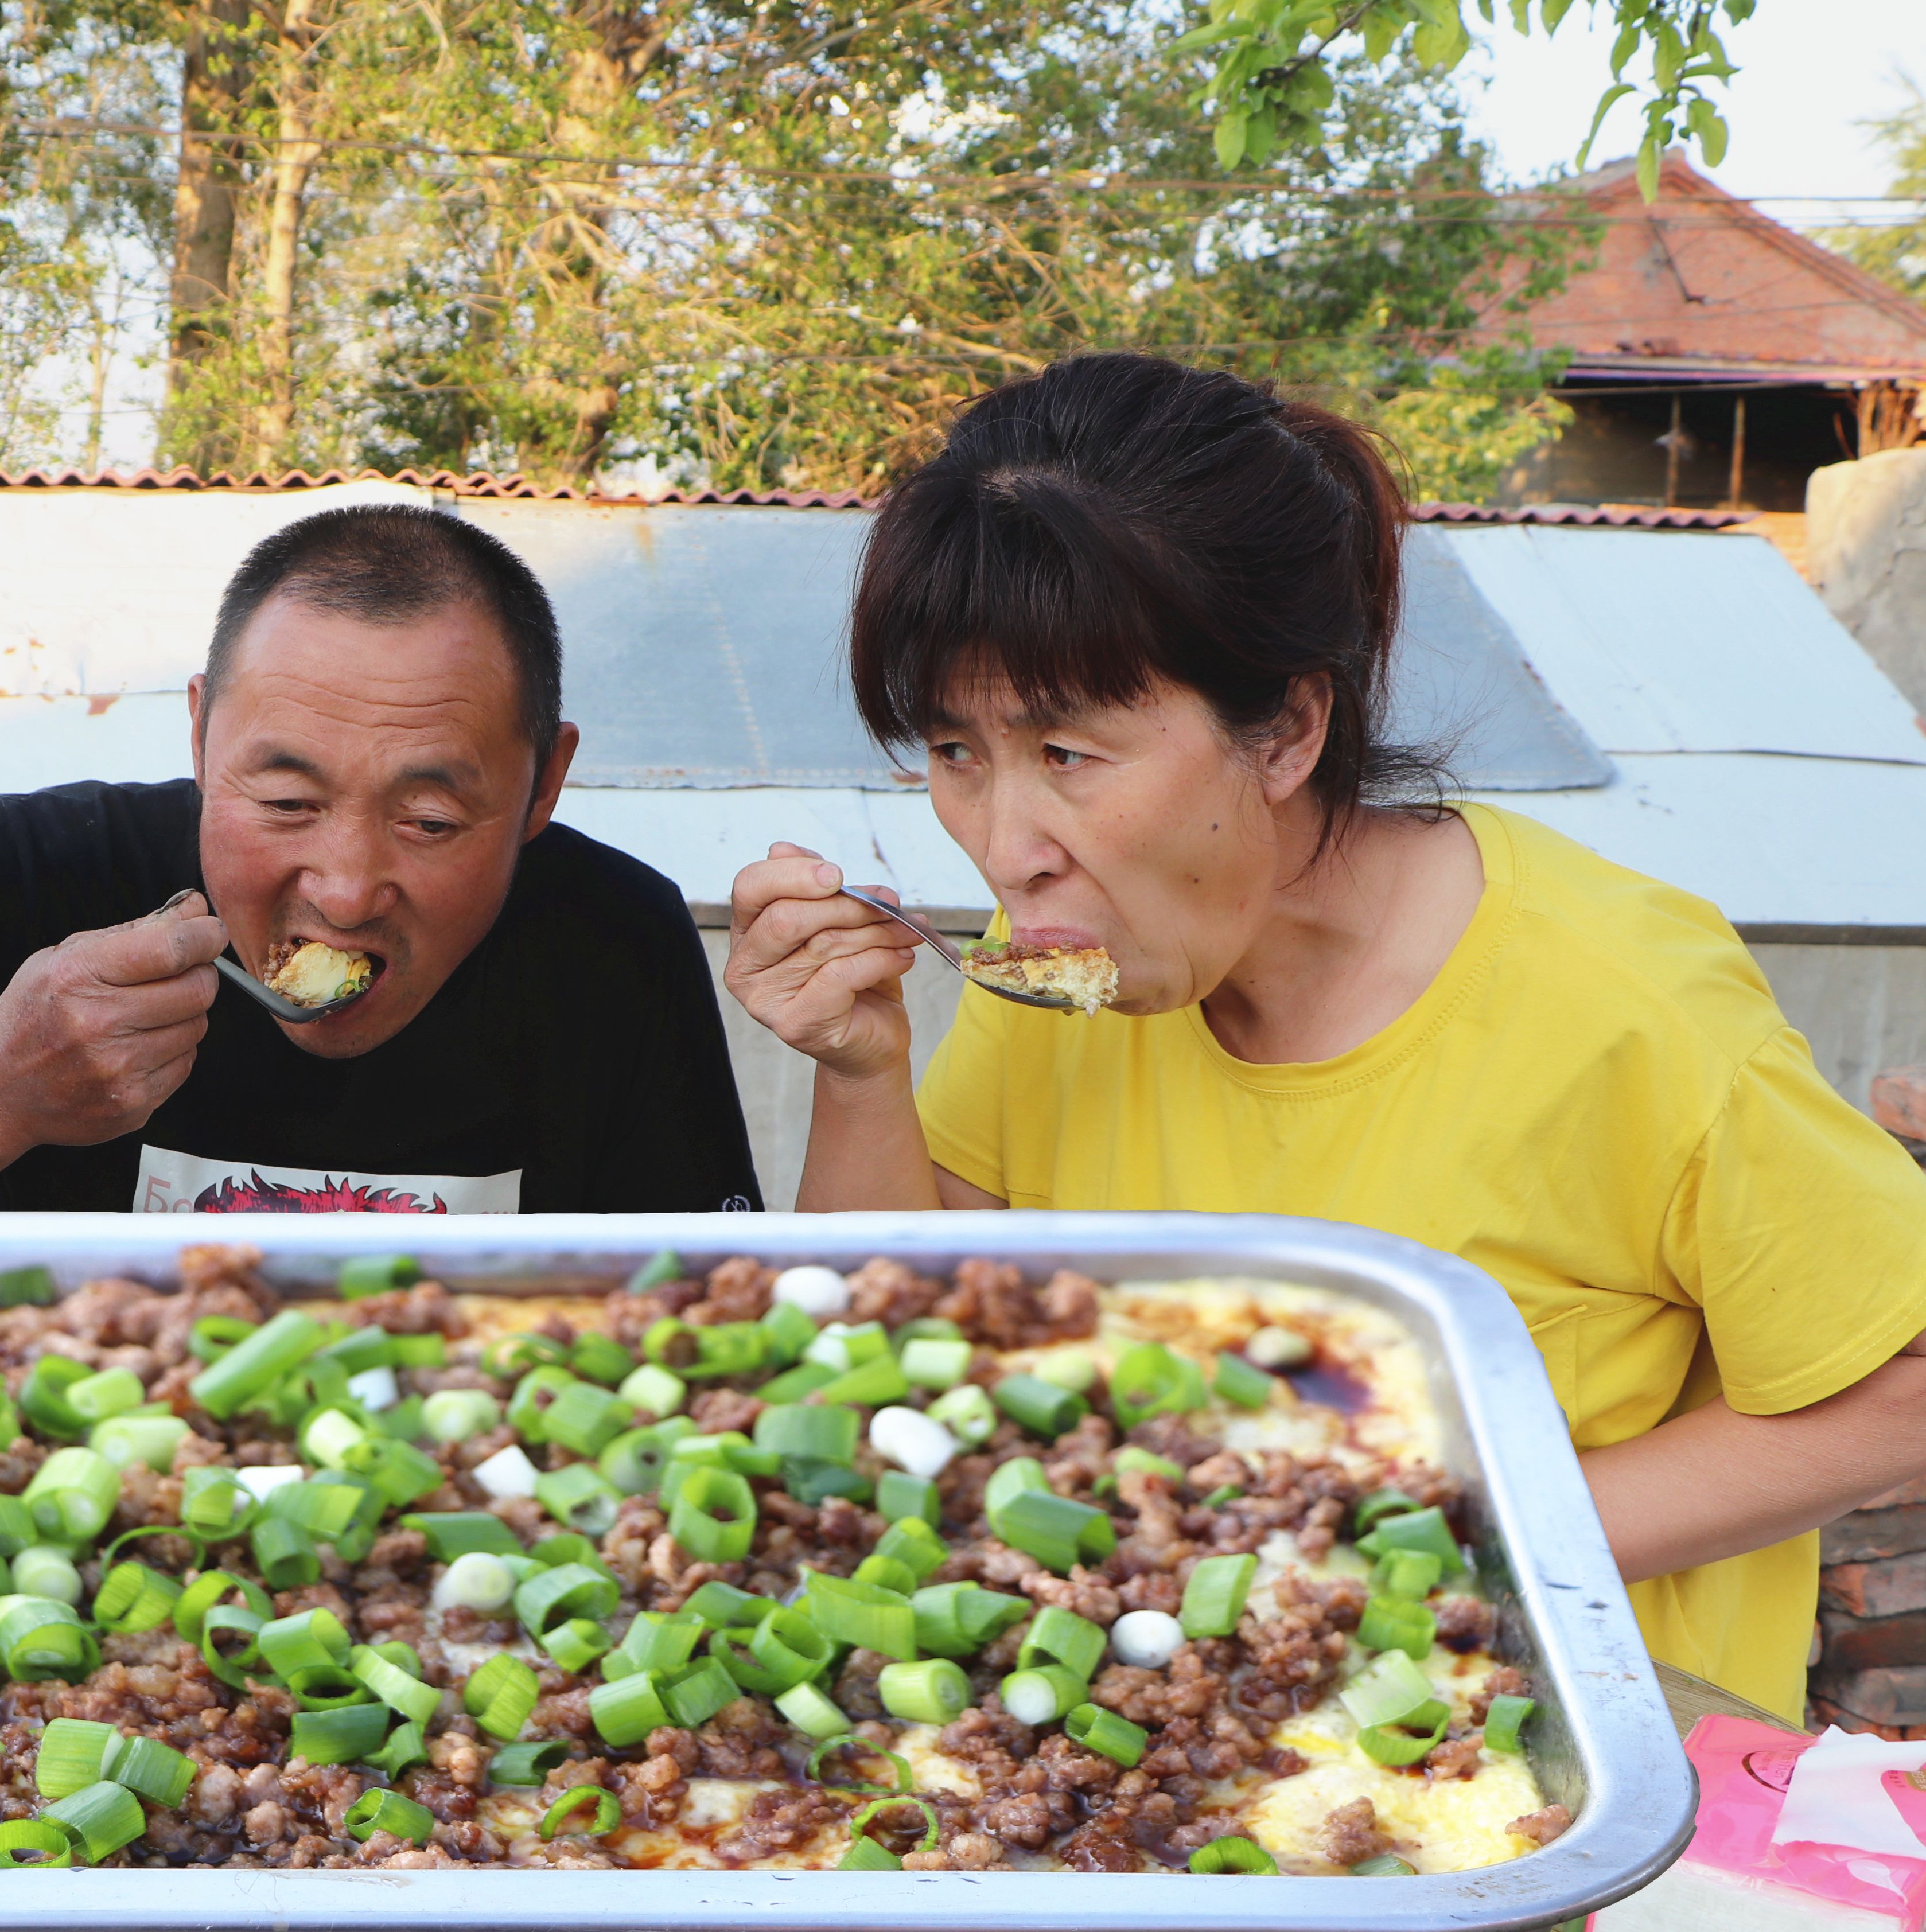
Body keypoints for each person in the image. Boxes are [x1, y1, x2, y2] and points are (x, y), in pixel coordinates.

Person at [723, 352, 1926, 1721]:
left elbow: (1903, 1385)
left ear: (1289, 728)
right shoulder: (1068, 989)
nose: (1007, 849)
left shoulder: (1623, 1003)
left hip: (1551, 1783)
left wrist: (1439, 1539)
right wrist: (863, 1072)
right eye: (953, 753)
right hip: (1154, 1746)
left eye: (1067, 755)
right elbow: (883, 1362)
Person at [0, 504, 758, 1216]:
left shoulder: (613, 943)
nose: (343, 887)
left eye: (427, 820)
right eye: (287, 800)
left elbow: (717, 1329)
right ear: (199, 738)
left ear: (543, 787)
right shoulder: (27, 881)